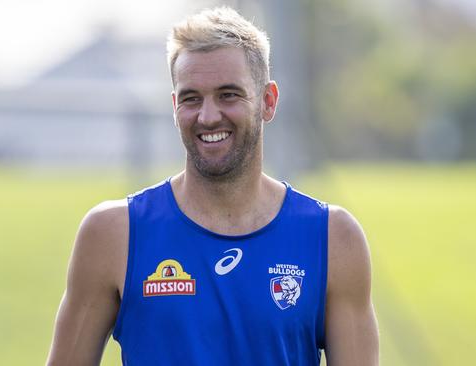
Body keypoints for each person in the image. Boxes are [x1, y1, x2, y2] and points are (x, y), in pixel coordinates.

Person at [46, 6, 378, 366]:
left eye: (228, 95)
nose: (207, 116)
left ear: (268, 101)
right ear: (175, 107)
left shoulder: (332, 238)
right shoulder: (113, 234)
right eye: (191, 98)